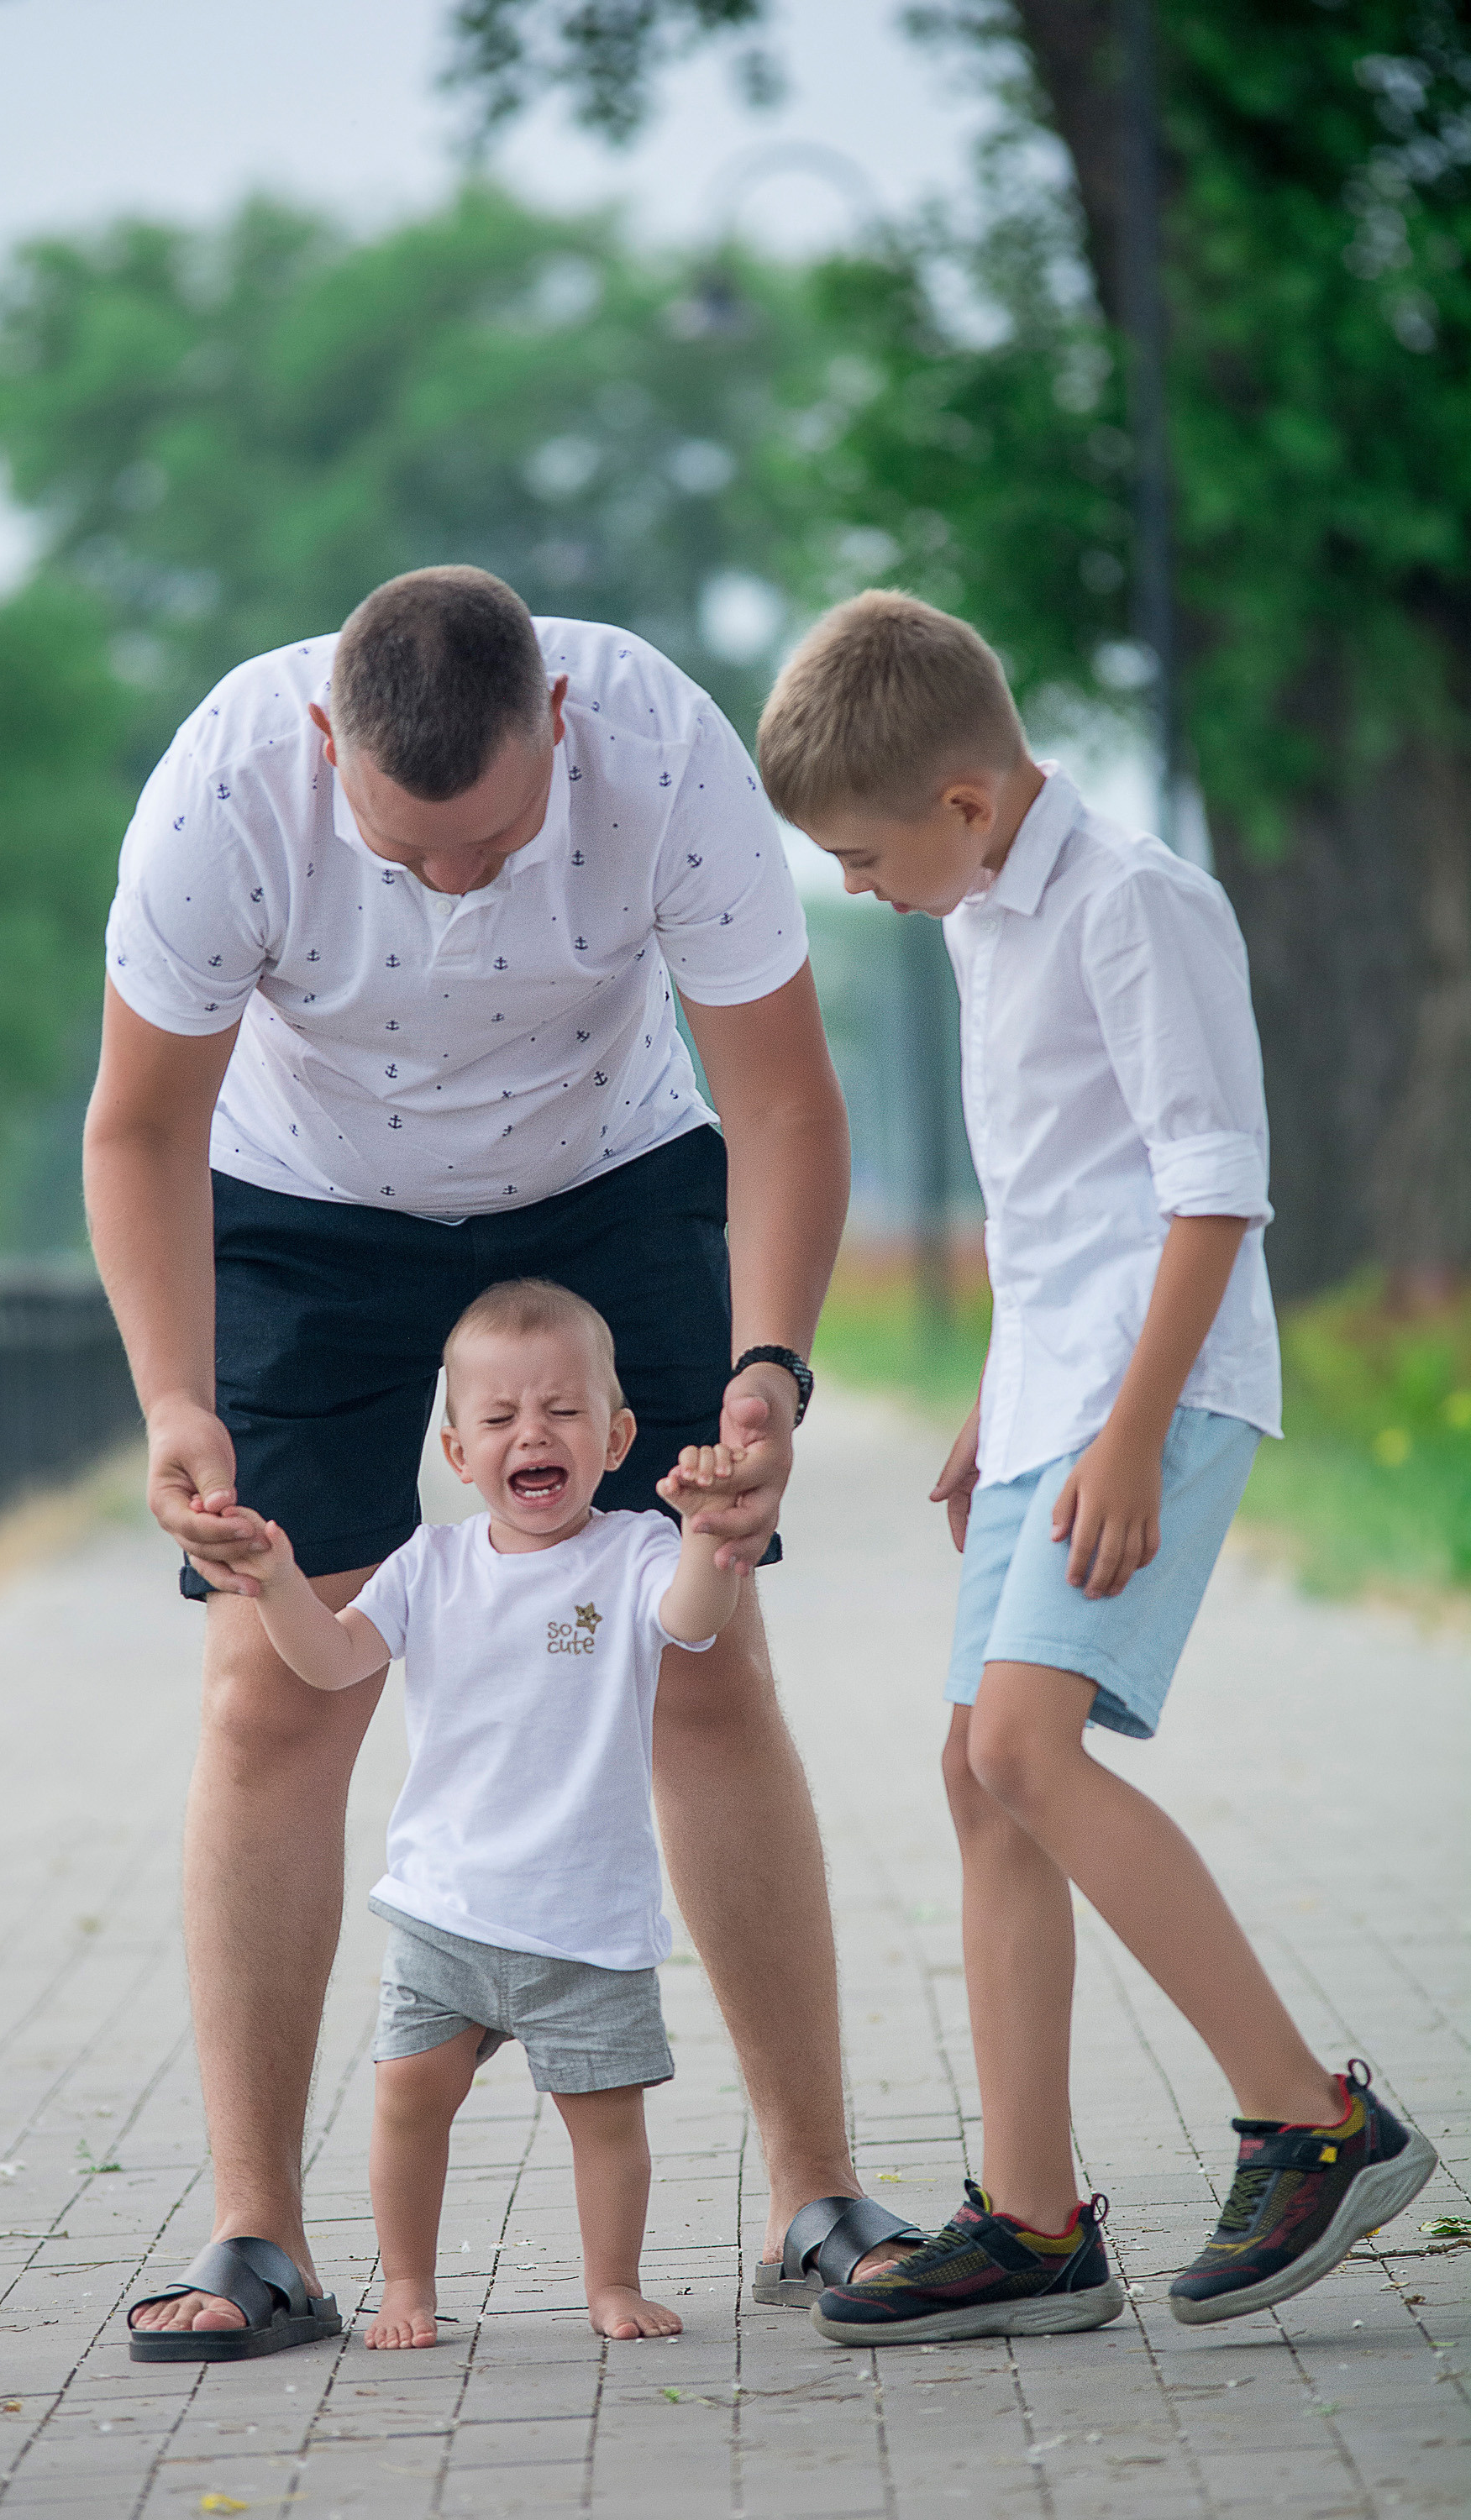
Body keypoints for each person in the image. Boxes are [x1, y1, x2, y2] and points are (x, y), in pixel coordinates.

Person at [92, 567, 922, 2354]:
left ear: (557, 725)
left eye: (490, 844)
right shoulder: (224, 791)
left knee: (697, 1663)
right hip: (307, 1204)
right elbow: (141, 1121)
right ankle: (261, 2242)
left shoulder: (660, 752)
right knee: (269, 1691)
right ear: (325, 744)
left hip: (608, 1179)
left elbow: (781, 1097)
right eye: (411, 856)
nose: (455, 888)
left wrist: (772, 1367)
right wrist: (173, 1400)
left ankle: (815, 2197)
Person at [754, 591, 1438, 2348]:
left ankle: (1314, 2121)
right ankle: (1034, 2221)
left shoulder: (1138, 905)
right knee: (975, 1776)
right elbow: (1057, 1205)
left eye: (860, 848)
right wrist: (1001, 1400)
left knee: (1024, 1751)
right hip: (1057, 1391)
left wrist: (1125, 1429)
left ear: (967, 803)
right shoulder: (982, 913)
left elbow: (1211, 1186)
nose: (853, 884)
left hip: (1161, 1391)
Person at [162, 1279, 746, 2353]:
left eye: (564, 1412)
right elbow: (332, 1663)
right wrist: (277, 1581)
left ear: (615, 1436)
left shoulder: (633, 1553)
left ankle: (611, 2281)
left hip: (586, 1915)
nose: (534, 1433)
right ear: (455, 1450)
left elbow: (692, 1621)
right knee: (405, 2102)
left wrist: (711, 1535)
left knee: (606, 2121)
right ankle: (406, 2288)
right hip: (445, 1908)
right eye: (499, 1417)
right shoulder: (425, 1567)